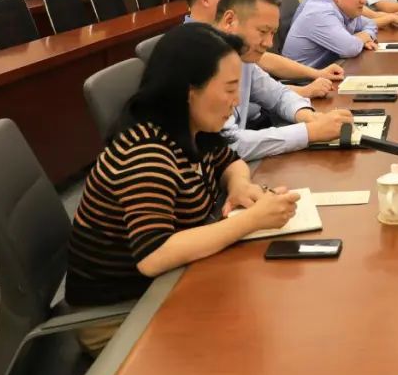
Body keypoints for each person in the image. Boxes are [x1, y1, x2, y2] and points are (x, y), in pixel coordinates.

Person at [66, 23, 301, 354]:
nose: (236, 102)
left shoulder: (192, 127)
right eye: (229, 89)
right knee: (259, 341)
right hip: (121, 315)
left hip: (166, 287)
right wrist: (251, 221)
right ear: (190, 91)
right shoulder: (147, 153)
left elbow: (230, 162)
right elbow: (154, 255)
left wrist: (239, 185)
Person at [213, 0, 352, 160]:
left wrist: (309, 117)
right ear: (229, 21)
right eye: (263, 31)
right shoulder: (202, 62)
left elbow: (278, 95)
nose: (269, 43)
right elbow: (229, 144)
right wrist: (310, 132)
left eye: (272, 33)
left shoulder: (243, 57)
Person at [187, 0, 342, 99]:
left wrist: (316, 74)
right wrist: (305, 90)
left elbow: (266, 68)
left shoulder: (227, 36)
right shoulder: (193, 49)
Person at [283, 0, 388, 67]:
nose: (364, 1)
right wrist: (360, 40)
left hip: (330, 69)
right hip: (305, 77)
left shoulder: (345, 9)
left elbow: (370, 23)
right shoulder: (320, 12)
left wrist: (364, 37)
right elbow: (350, 48)